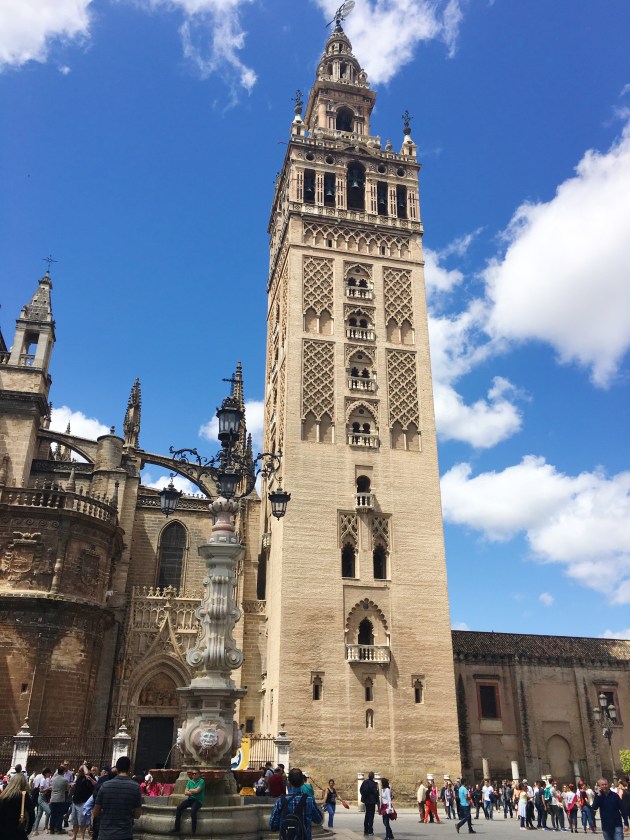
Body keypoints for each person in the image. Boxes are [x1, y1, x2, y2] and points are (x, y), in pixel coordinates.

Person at [92, 756, 142, 840]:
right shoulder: (135, 787)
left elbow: (96, 812)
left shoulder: (105, 786)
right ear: (129, 768)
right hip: (125, 834)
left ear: (116, 768)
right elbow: (137, 815)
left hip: (105, 834)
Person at [269, 767, 323, 840]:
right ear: (302, 782)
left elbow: (273, 826)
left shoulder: (280, 801)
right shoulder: (309, 800)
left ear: (289, 782)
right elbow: (318, 819)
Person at [0, 771, 35, 840]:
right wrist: (28, 829)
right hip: (17, 830)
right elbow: (31, 814)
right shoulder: (24, 795)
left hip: (2, 831)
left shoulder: (3, 796)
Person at [171, 768, 205, 835]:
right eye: (193, 774)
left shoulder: (201, 781)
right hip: (190, 799)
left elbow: (197, 791)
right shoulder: (190, 781)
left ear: (199, 774)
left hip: (198, 800)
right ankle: (177, 828)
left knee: (193, 810)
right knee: (179, 808)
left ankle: (193, 831)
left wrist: (191, 790)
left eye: (195, 773)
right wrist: (193, 791)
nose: (194, 775)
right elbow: (185, 792)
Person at [71, 766, 95, 840]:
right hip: (75, 801)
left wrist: (84, 766)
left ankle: (82, 837)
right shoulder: (79, 778)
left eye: (81, 770)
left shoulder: (88, 777)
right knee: (75, 821)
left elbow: (87, 773)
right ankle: (74, 836)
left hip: (83, 802)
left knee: (82, 822)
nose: (79, 771)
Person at [50, 766, 70, 835]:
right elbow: (67, 789)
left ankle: (52, 829)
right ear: (63, 772)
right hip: (60, 799)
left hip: (53, 799)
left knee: (53, 815)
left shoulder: (53, 779)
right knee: (60, 814)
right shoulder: (64, 780)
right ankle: (59, 829)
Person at [32, 768, 52, 835]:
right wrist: (48, 788)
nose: (50, 774)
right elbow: (41, 790)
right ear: (46, 773)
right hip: (42, 797)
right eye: (49, 773)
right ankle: (46, 827)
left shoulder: (46, 780)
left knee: (39, 814)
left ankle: (35, 830)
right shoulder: (43, 780)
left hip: (44, 797)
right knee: (49, 811)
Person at [360, 771, 380, 836]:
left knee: (367, 815)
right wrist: (377, 801)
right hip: (372, 802)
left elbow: (361, 790)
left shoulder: (365, 782)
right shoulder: (374, 784)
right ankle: (370, 831)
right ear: (373, 776)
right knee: (371, 816)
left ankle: (365, 830)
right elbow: (375, 793)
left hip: (366, 801)